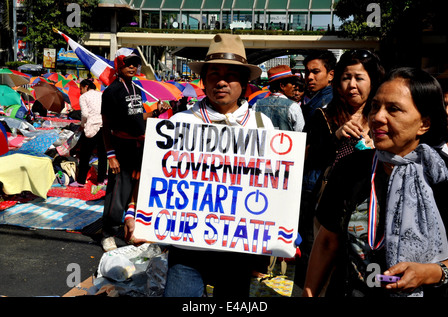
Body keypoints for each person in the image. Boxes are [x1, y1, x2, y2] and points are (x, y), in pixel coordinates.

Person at [302, 67, 448, 297]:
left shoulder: (442, 175)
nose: (377, 117)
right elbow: (327, 242)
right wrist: (309, 293)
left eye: (393, 109)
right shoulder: (351, 167)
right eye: (375, 106)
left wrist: (434, 272)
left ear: (424, 123)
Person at [158, 33, 274, 297]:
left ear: (245, 83)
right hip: (187, 247)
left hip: (237, 247)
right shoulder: (179, 123)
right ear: (203, 80)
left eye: (231, 75)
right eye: (214, 74)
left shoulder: (261, 125)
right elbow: (159, 176)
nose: (222, 81)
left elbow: (270, 185)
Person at [296, 49, 385, 289]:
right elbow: (304, 158)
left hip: (372, 209)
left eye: (359, 78)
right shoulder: (323, 115)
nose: (352, 85)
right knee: (322, 265)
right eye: (346, 78)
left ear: (373, 81)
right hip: (327, 206)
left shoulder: (382, 116)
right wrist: (335, 137)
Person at [100, 48, 170, 252]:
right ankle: (107, 233)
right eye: (128, 62)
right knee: (118, 192)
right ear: (119, 64)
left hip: (138, 146)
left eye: (135, 63)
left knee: (135, 190)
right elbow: (106, 125)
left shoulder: (137, 89)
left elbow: (139, 120)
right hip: (120, 147)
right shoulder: (111, 92)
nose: (132, 66)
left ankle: (129, 229)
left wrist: (155, 111)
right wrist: (110, 155)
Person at [69, 79, 107, 189]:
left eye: (80, 88)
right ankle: (101, 180)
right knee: (102, 154)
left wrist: (82, 124)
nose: (80, 91)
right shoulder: (101, 95)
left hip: (91, 126)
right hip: (103, 126)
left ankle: (81, 180)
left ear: (86, 87)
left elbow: (85, 114)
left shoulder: (84, 97)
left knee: (85, 154)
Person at [253, 64, 305, 131]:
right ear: (282, 86)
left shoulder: (256, 106)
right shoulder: (293, 107)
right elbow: (300, 134)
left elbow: (256, 129)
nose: (294, 87)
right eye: (292, 83)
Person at [302, 50, 336, 125]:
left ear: (331, 75)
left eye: (316, 72)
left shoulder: (330, 103)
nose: (309, 77)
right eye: (307, 72)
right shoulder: (316, 98)